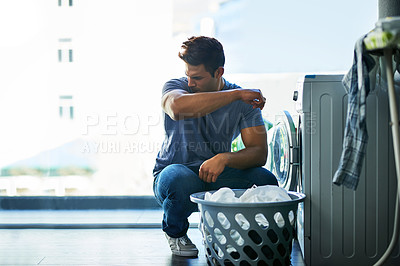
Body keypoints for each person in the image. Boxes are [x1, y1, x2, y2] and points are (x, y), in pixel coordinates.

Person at [153, 36, 278, 257]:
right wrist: (236, 95)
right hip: (175, 174)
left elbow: (259, 153)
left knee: (266, 181)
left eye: (198, 78)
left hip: (217, 174)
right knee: (177, 179)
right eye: (188, 76)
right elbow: (177, 108)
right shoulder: (175, 87)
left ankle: (248, 237)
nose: (190, 83)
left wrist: (225, 158)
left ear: (219, 72)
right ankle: (176, 232)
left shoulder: (243, 103)